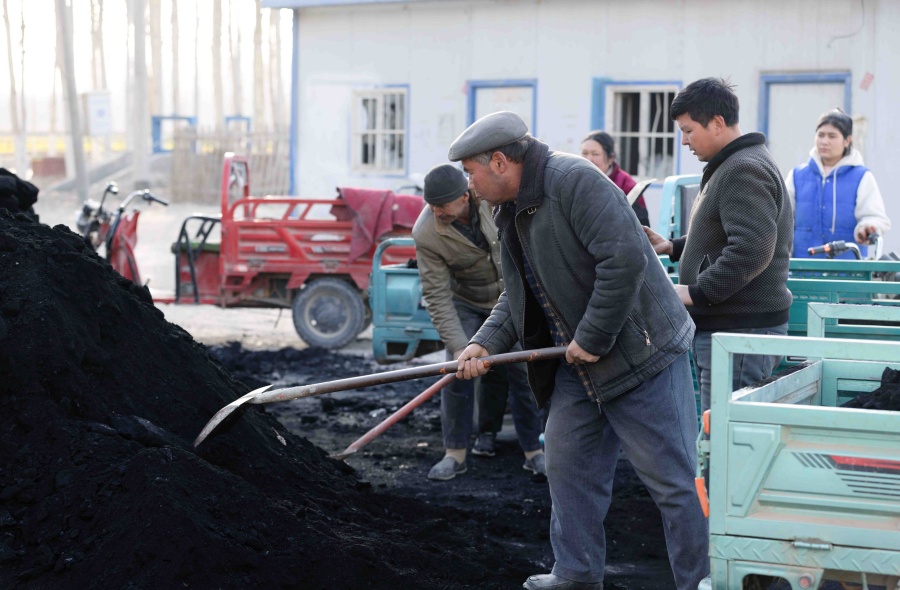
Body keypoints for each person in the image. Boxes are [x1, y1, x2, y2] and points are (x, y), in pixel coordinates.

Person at [449, 111, 708, 590]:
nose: (469, 185)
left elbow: (624, 259)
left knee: (675, 483)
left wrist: (591, 336)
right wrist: (482, 342)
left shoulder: (574, 181)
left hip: (642, 356)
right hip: (579, 365)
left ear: (500, 162)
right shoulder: (510, 209)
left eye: (471, 172)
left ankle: (702, 582)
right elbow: (519, 291)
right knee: (567, 468)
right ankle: (576, 573)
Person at [643, 78, 793, 415]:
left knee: (728, 435)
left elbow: (751, 249)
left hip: (740, 330)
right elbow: (727, 234)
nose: (684, 141)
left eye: (688, 130)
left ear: (717, 123)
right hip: (734, 327)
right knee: (722, 432)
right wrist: (673, 247)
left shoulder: (744, 168)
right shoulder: (736, 163)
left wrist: (696, 292)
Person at [412, 163, 546, 481]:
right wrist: (460, 347)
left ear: (464, 196)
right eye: (431, 205)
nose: (435, 211)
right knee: (456, 372)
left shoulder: (491, 198)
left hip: (512, 299)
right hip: (467, 303)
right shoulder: (426, 232)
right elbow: (437, 295)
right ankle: (455, 454)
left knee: (525, 370)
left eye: (441, 205)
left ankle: (534, 452)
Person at [786, 108, 890, 259]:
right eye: (820, 135)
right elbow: (783, 220)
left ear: (847, 140)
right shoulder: (797, 176)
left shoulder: (862, 177)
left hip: (848, 267)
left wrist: (866, 228)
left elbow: (874, 217)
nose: (824, 141)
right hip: (803, 266)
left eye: (832, 136)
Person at [579, 130, 651, 226]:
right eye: (584, 153)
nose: (588, 159)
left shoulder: (626, 184)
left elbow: (641, 226)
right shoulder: (574, 181)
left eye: (595, 154)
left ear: (610, 159)